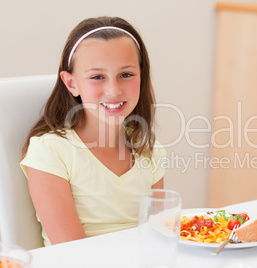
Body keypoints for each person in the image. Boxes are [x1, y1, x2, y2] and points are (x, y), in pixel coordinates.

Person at [20, 16, 166, 246]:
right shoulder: (51, 151)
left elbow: (158, 240)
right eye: (97, 77)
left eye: (126, 75)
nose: (113, 90)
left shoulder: (150, 151)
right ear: (71, 84)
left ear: (142, 75)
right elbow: (73, 252)